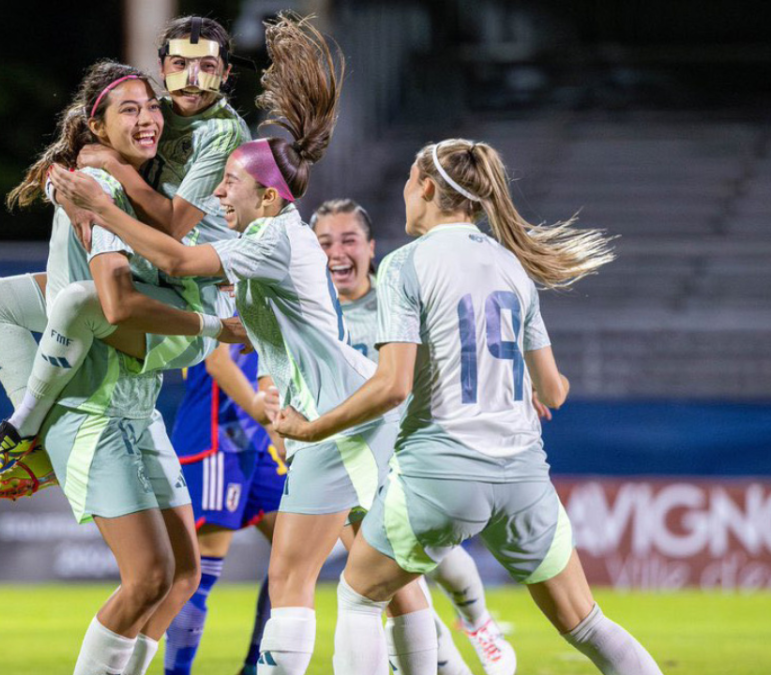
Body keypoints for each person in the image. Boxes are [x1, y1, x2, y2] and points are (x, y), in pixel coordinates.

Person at [52, 14, 439, 675]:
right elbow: (183, 244)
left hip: (338, 413)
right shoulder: (270, 235)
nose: (218, 190)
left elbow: (175, 258)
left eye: (229, 181)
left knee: (291, 576)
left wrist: (104, 204)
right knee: (382, 573)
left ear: (265, 194)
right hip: (348, 406)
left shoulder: (274, 240)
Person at [272, 139, 663, 675]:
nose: (407, 193)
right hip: (523, 477)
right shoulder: (513, 266)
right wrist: (512, 383)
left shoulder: (404, 265)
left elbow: (392, 386)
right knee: (587, 623)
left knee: (361, 597)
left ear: (427, 188)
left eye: (410, 183)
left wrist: (312, 429)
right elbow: (554, 392)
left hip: (442, 469)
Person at [0, 61, 225, 675]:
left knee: (183, 575)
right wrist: (213, 325)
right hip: (94, 417)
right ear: (96, 126)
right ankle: (27, 429)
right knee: (149, 577)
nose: (147, 118)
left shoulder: (133, 180)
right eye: (128, 109)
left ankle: (29, 431)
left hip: (138, 408)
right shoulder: (96, 187)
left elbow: (10, 302)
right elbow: (112, 299)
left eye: (150, 106)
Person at [0, 15, 252, 464]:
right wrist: (65, 190)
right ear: (163, 68)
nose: (193, 78)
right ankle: (38, 439)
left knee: (82, 299)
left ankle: (25, 425)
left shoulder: (222, 131)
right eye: (181, 63)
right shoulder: (153, 107)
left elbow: (172, 227)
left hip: (191, 301)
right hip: (147, 275)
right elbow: (72, 154)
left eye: (208, 67)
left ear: (226, 73)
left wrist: (109, 177)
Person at [313, 198, 516, 675]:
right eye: (325, 243)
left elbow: (456, 350)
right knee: (390, 585)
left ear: (370, 247)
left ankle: (479, 625)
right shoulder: (312, 308)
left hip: (408, 451)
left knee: (438, 562)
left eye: (348, 240)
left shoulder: (398, 293)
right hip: (345, 459)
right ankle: (445, 663)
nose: (337, 252)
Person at [163, 343, 286, 675]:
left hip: (257, 441)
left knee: (295, 553)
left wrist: (274, 428)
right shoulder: (221, 291)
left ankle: (253, 667)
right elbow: (218, 361)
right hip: (218, 437)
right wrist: (266, 417)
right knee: (199, 569)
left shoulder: (264, 293)